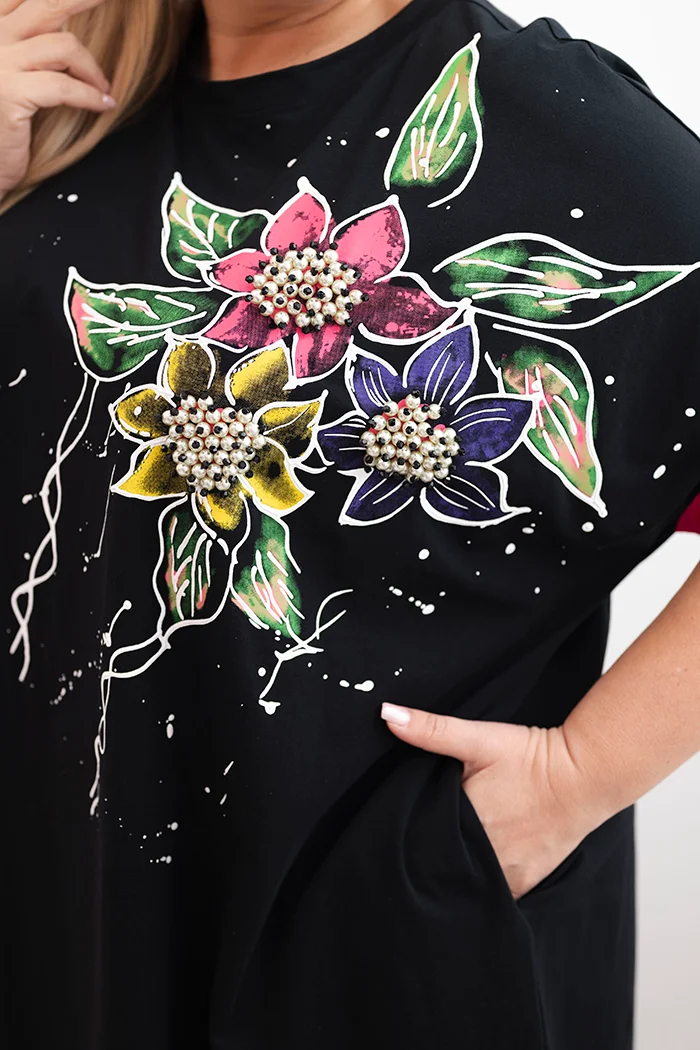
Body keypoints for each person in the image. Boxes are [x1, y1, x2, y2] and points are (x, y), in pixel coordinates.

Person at [2, 0, 700, 1047]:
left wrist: (579, 777)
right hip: (68, 921)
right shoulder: (56, 104)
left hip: (379, 955)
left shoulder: (550, 126)